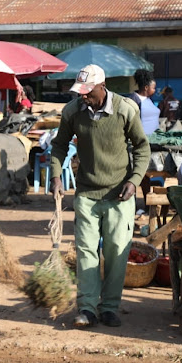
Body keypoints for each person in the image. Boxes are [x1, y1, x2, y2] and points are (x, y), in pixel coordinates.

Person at [49, 64, 150, 328]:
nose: (83, 96)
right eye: (79, 91)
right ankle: (87, 307)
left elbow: (142, 148)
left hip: (119, 193)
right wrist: (56, 175)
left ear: (101, 86)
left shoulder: (126, 110)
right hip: (87, 193)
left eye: (87, 91)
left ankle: (109, 307)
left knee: (117, 250)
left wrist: (134, 180)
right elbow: (59, 145)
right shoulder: (72, 112)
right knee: (86, 252)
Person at [128, 69, 159, 135]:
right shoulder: (132, 100)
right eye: (153, 88)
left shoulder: (149, 100)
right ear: (146, 87)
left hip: (153, 137)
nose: (155, 90)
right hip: (141, 138)